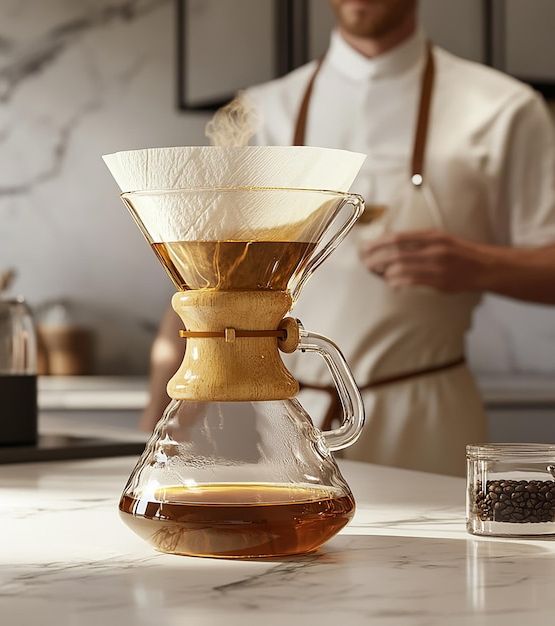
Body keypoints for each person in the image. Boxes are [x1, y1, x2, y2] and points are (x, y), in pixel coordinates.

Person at [139, 0, 555, 476]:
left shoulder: (505, 108)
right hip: (277, 414)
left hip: (427, 413)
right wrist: (158, 412)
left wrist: (479, 266)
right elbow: (202, 282)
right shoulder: (260, 112)